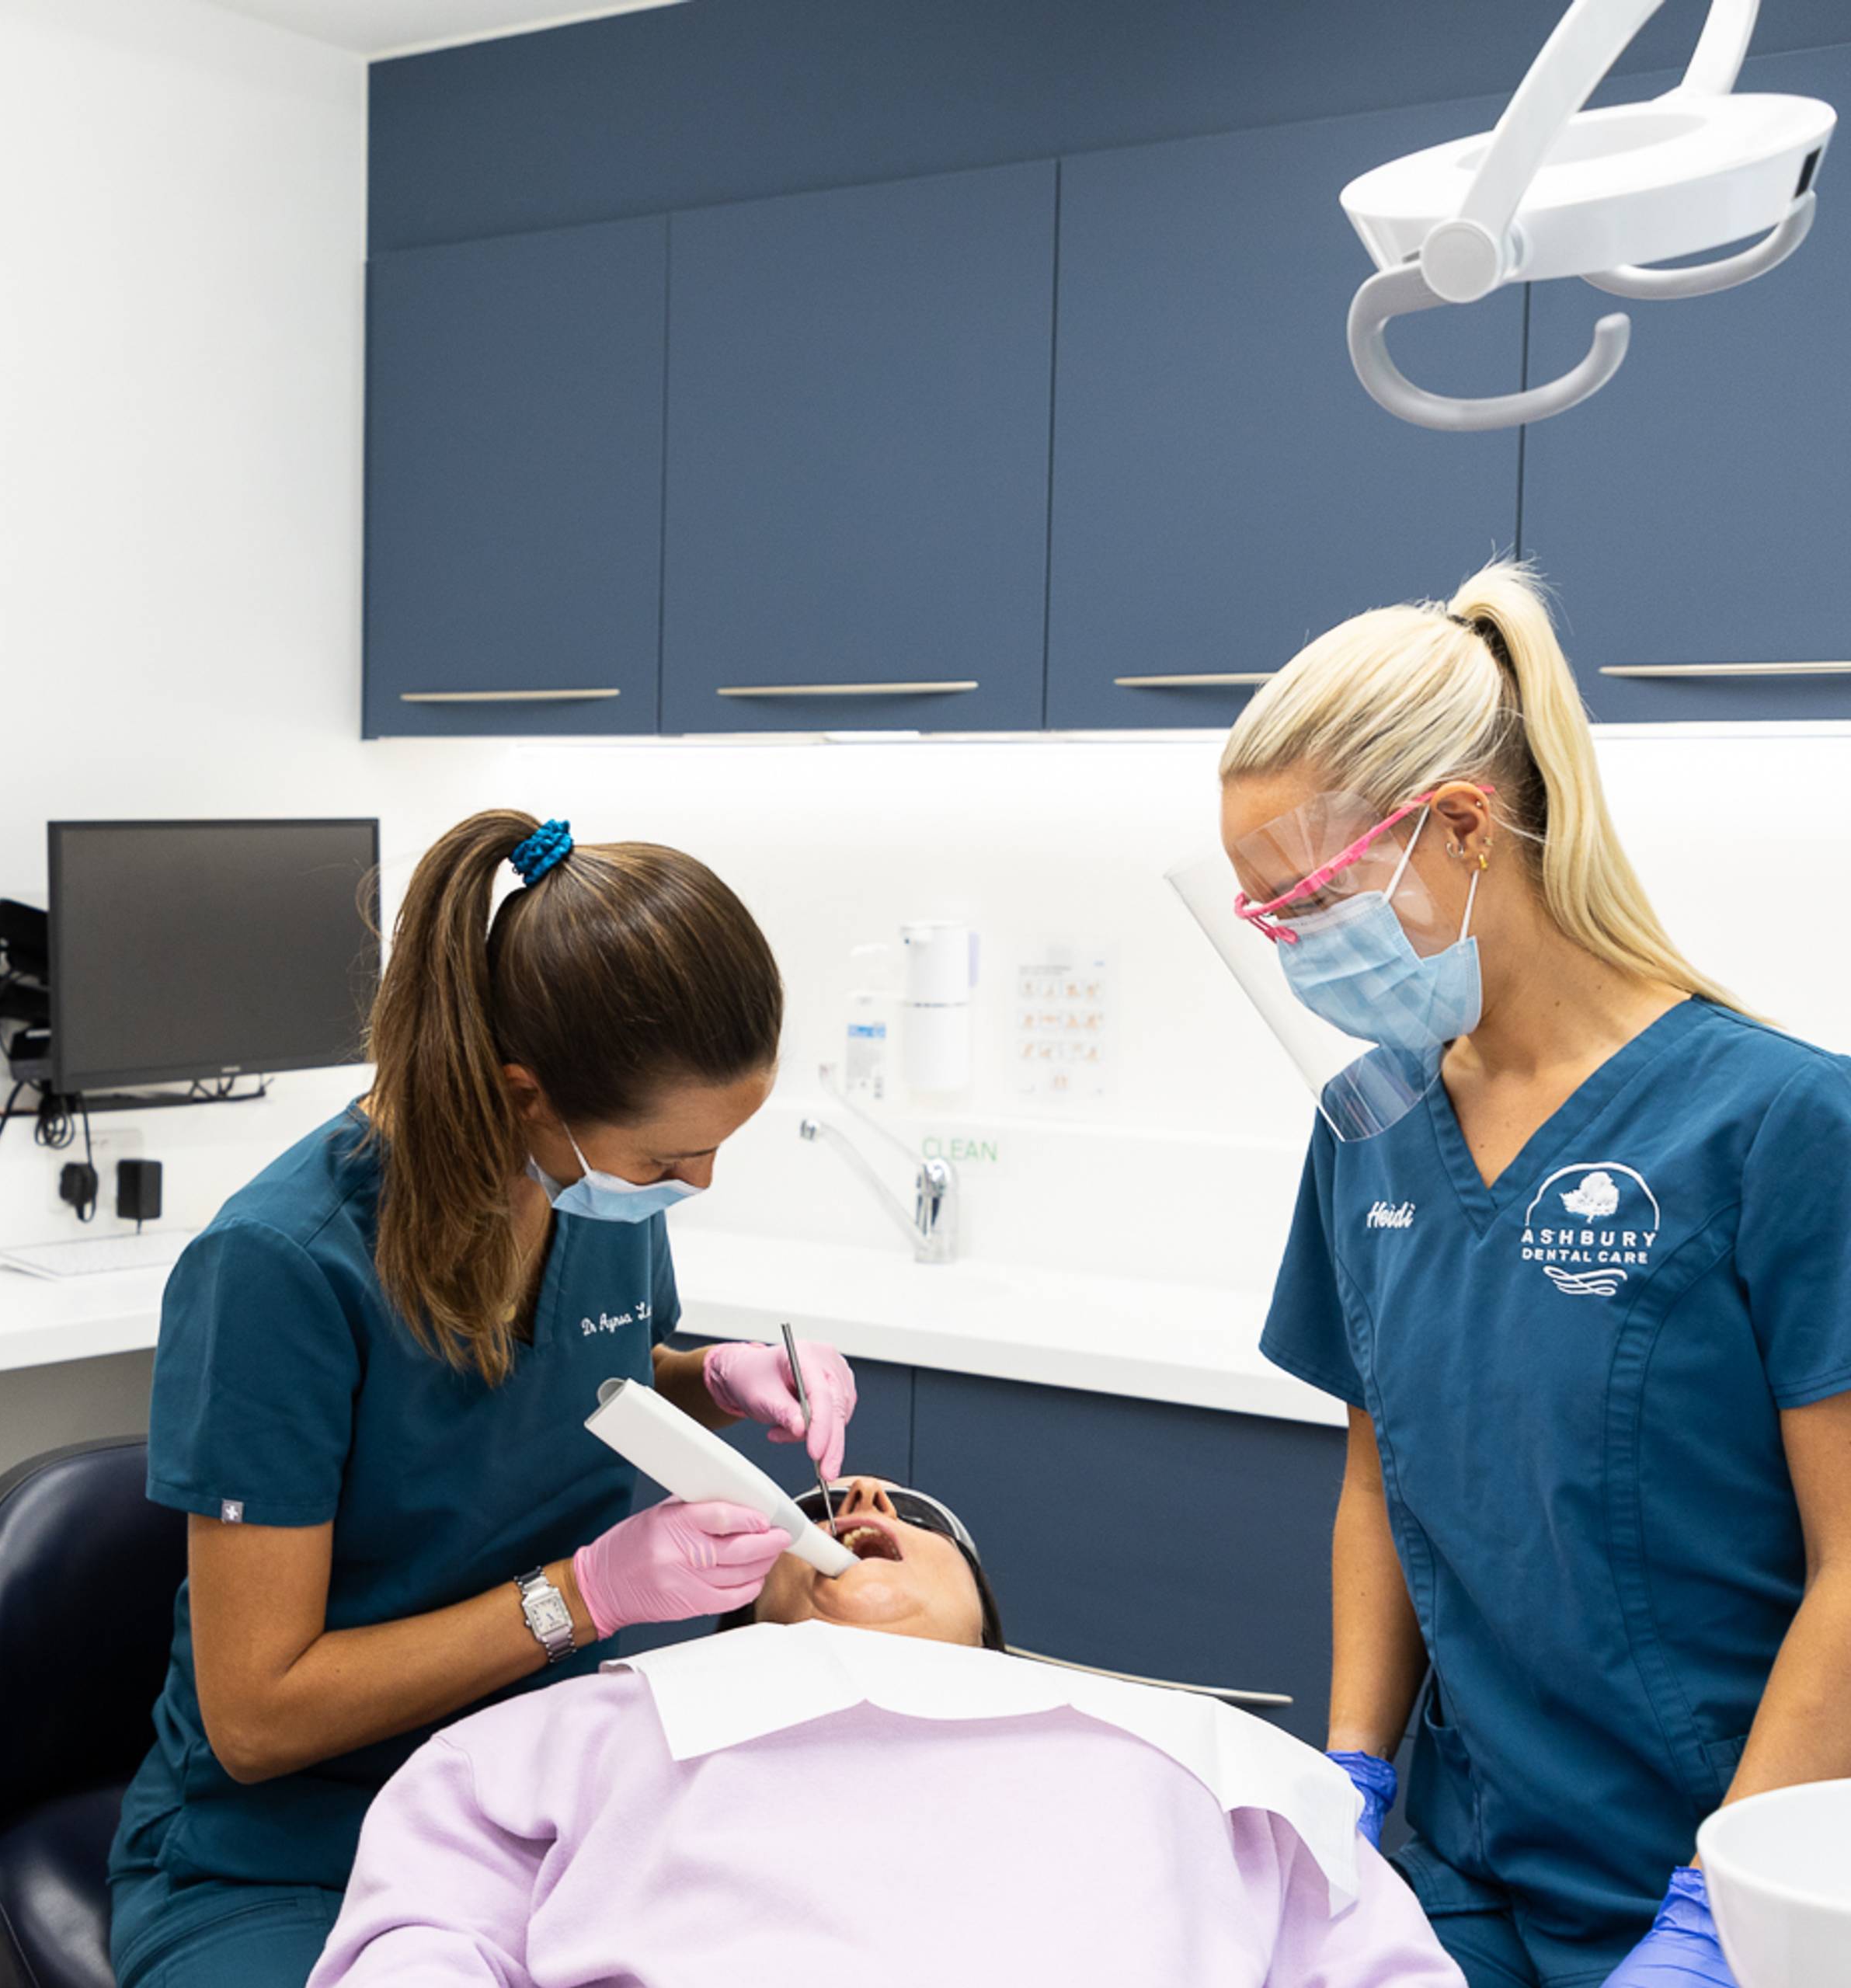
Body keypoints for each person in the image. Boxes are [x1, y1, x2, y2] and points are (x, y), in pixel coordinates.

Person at [1213, 563, 1851, 1988]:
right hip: (1463, 1867)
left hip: (1725, 1873)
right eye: (1267, 919)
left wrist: (1719, 1906)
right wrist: (1354, 1773)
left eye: (1307, 902)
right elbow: (1380, 1478)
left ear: (1457, 825)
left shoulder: (1786, 1124)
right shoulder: (1367, 1125)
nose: (1298, 950)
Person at [106, 809, 861, 1988]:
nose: (695, 1186)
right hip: (292, 1855)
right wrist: (586, 1594)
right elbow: (257, 1719)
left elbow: (574, 1376)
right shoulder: (283, 1266)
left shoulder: (581, 1193)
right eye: (666, 1161)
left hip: (546, 1798)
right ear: (524, 1095)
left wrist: (711, 1380)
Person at [311, 1479, 1463, 1987]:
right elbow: (422, 1926)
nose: (859, 1502)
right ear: (739, 1610)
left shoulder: (1193, 1751)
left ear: (988, 1620)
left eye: (910, 1517)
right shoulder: (605, 1722)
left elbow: (1376, 1964)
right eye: (812, 1516)